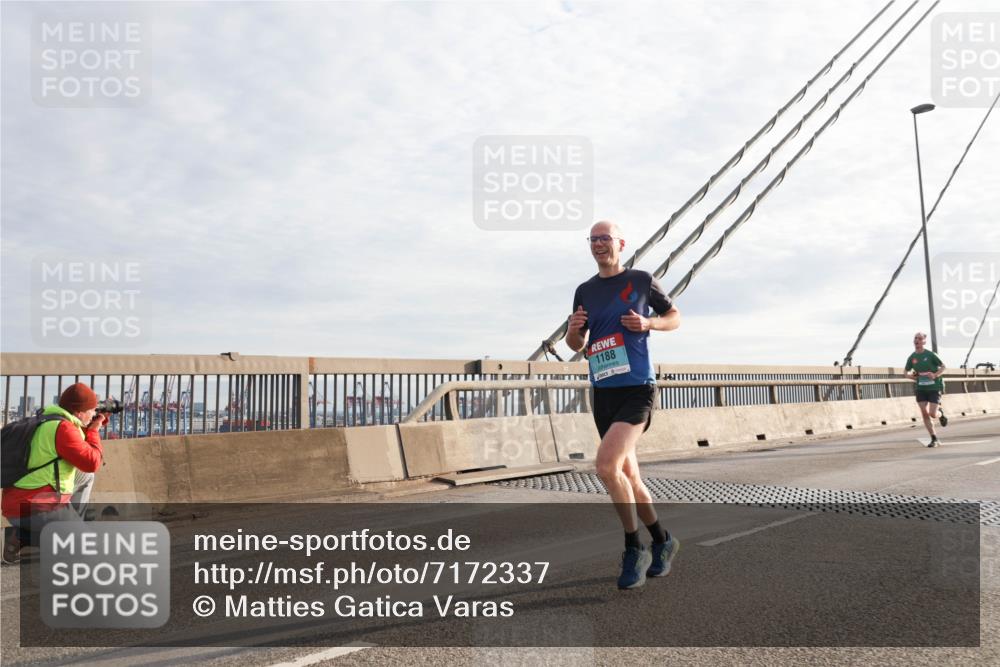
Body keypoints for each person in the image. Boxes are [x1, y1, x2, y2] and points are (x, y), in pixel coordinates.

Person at [565, 220, 681, 589]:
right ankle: (663, 541)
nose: (599, 244)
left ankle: (634, 548)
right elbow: (576, 345)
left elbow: (674, 318)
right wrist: (572, 329)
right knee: (628, 476)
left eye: (606, 239)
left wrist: (648, 324)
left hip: (637, 390)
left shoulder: (642, 280)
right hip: (603, 391)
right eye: (594, 239)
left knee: (605, 465)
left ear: (621, 243)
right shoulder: (584, 290)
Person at [1, 383, 106, 564]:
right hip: (35, 508)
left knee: (85, 477)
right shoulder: (64, 430)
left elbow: (84, 466)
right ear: (79, 412)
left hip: (15, 506)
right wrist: (94, 431)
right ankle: (44, 537)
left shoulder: (47, 420)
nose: (93, 413)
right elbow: (92, 462)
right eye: (91, 410)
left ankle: (57, 530)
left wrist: (88, 427)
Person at [904, 332, 948, 448]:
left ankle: (940, 413)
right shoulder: (912, 357)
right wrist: (911, 376)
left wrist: (935, 375)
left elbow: (943, 366)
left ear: (924, 341)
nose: (917, 340)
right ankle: (934, 438)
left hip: (934, 387)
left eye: (919, 338)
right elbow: (905, 372)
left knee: (932, 414)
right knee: (924, 413)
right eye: (915, 338)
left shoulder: (930, 354)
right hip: (921, 388)